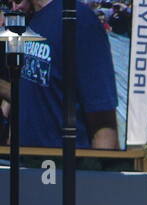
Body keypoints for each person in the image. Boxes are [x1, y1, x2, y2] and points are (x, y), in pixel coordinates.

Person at [5, 0, 118, 149]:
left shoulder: (78, 19)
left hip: (62, 166)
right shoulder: (28, 21)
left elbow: (104, 123)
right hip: (24, 166)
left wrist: (98, 170)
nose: (14, 7)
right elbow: (29, 95)